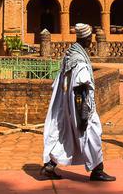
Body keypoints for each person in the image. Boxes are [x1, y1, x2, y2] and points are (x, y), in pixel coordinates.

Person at [41, 23, 115, 182]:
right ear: (86, 38)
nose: (91, 41)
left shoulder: (71, 53)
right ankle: (97, 171)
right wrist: (83, 114)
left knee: (65, 134)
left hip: (67, 105)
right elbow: (80, 88)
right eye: (90, 38)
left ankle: (50, 166)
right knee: (93, 133)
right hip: (80, 105)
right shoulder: (79, 60)